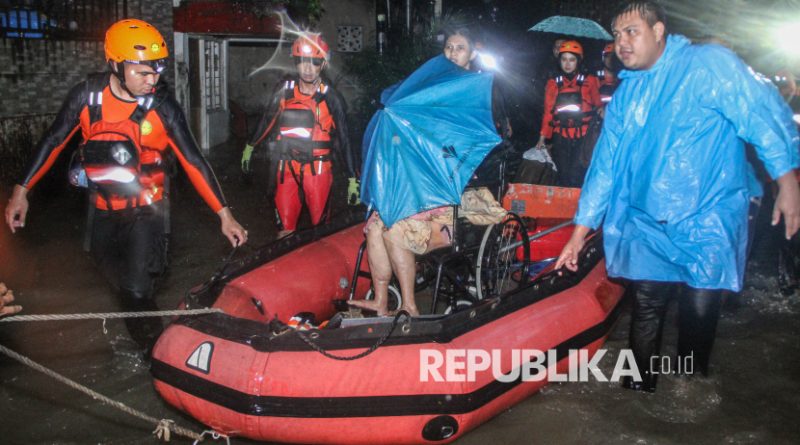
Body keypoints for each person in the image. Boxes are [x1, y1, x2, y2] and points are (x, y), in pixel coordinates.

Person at [555, 1, 800, 392]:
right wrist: (579, 232)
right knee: (647, 307)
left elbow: (758, 111)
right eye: (617, 35)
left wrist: (786, 178)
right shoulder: (626, 96)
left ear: (658, 31)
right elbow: (605, 167)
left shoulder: (707, 65)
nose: (622, 43)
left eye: (631, 31)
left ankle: (691, 390)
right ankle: (639, 395)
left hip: (707, 215)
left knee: (699, 309)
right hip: (646, 220)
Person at [4, 19, 248, 354]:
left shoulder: (162, 107)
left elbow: (194, 162)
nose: (154, 80)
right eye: (143, 73)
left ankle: (157, 353)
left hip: (148, 212)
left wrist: (224, 214)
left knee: (135, 289)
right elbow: (53, 141)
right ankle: (149, 331)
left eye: (156, 71)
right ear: (116, 65)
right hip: (102, 212)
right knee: (118, 284)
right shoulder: (86, 97)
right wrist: (21, 192)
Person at [349, 27, 506, 316]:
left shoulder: (473, 91)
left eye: (459, 48)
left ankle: (409, 305)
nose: (452, 53)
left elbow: (459, 143)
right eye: (448, 47)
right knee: (374, 227)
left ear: (472, 54)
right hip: (421, 180)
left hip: (451, 187)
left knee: (393, 230)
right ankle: (381, 300)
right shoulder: (430, 88)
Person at [240, 34, 357, 239]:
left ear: (322, 65)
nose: (308, 68)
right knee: (284, 231)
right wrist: (250, 146)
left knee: (320, 232)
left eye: (315, 62)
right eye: (303, 62)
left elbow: (345, 138)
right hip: (286, 167)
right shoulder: (285, 92)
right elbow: (267, 120)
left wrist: (352, 177)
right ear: (296, 63)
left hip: (318, 170)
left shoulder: (331, 97)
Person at [535, 40, 602, 187]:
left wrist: (602, 112)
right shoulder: (553, 83)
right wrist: (542, 137)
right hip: (561, 134)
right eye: (564, 59)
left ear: (578, 61)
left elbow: (599, 105)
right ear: (559, 61)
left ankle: (578, 206)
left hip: (584, 135)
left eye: (572, 60)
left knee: (578, 173)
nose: (567, 64)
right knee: (563, 174)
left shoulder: (590, 81)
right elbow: (548, 112)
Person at [596, 43, 619, 109]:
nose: (610, 60)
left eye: (613, 57)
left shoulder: (622, 77)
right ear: (603, 58)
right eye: (607, 56)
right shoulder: (595, 76)